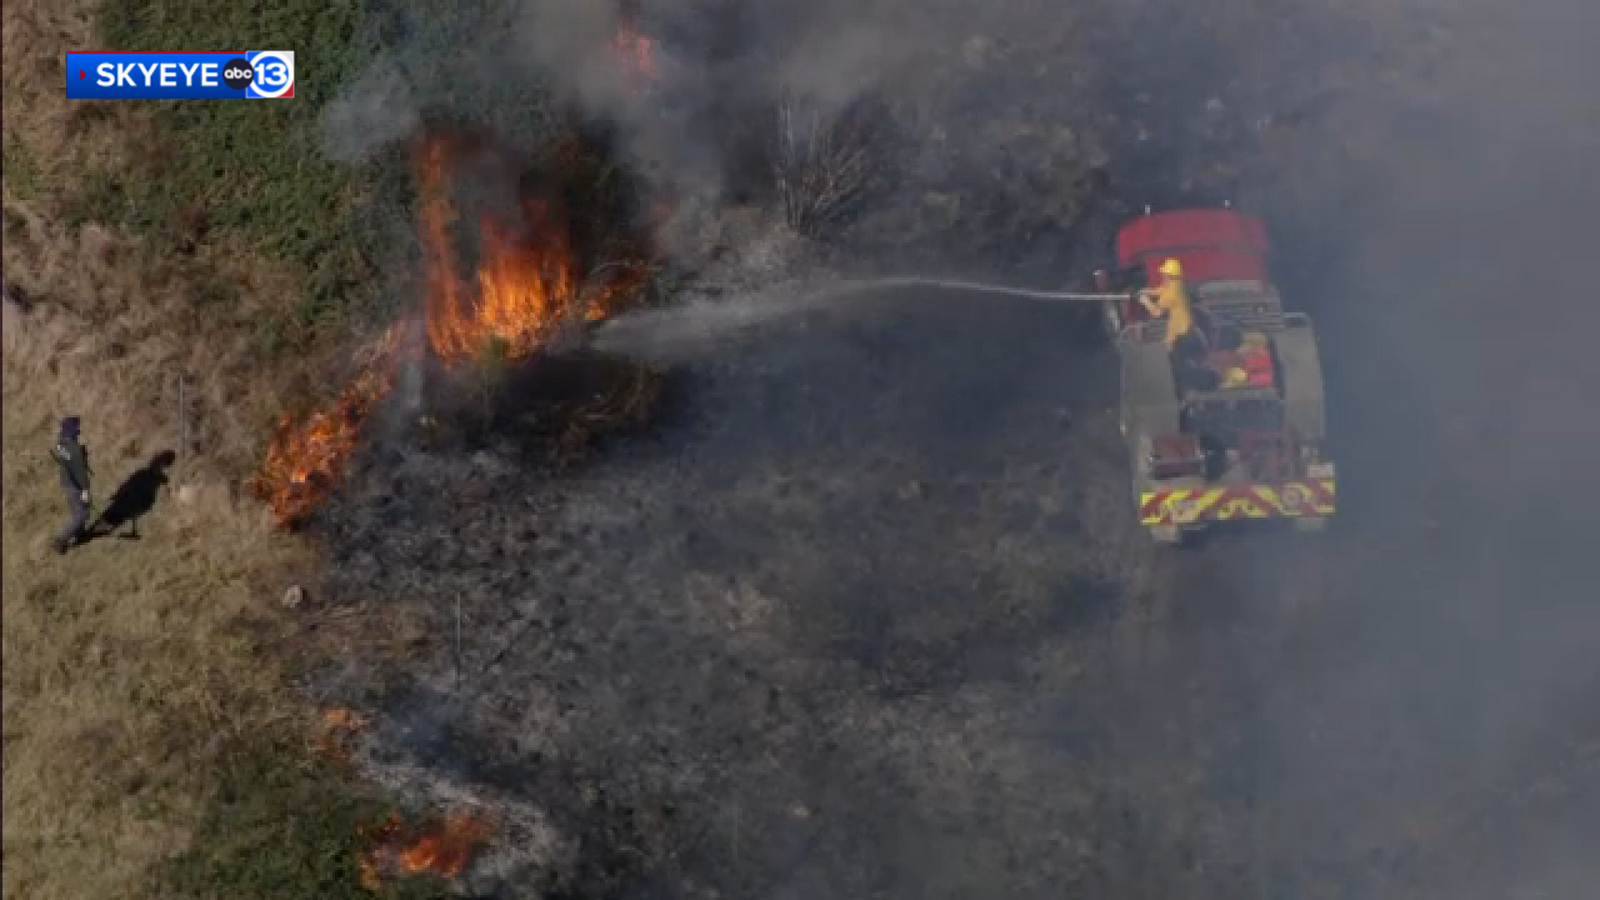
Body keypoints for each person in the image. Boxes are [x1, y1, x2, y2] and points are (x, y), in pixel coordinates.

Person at [1138, 258, 1211, 392]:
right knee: (1177, 359)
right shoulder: (1177, 285)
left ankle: (1180, 385)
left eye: (1164, 274)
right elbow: (1161, 290)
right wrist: (1147, 291)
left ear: (1169, 276)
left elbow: (1157, 313)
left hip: (1181, 336)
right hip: (1188, 331)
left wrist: (1145, 301)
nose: (1162, 276)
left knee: (1175, 361)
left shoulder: (1171, 294)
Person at [51, 416, 93, 554]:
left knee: (76, 510)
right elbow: (80, 471)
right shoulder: (75, 450)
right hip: (75, 485)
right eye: (77, 429)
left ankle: (80, 534)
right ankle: (61, 539)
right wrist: (85, 490)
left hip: (66, 482)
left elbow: (65, 458)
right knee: (83, 514)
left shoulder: (61, 444)